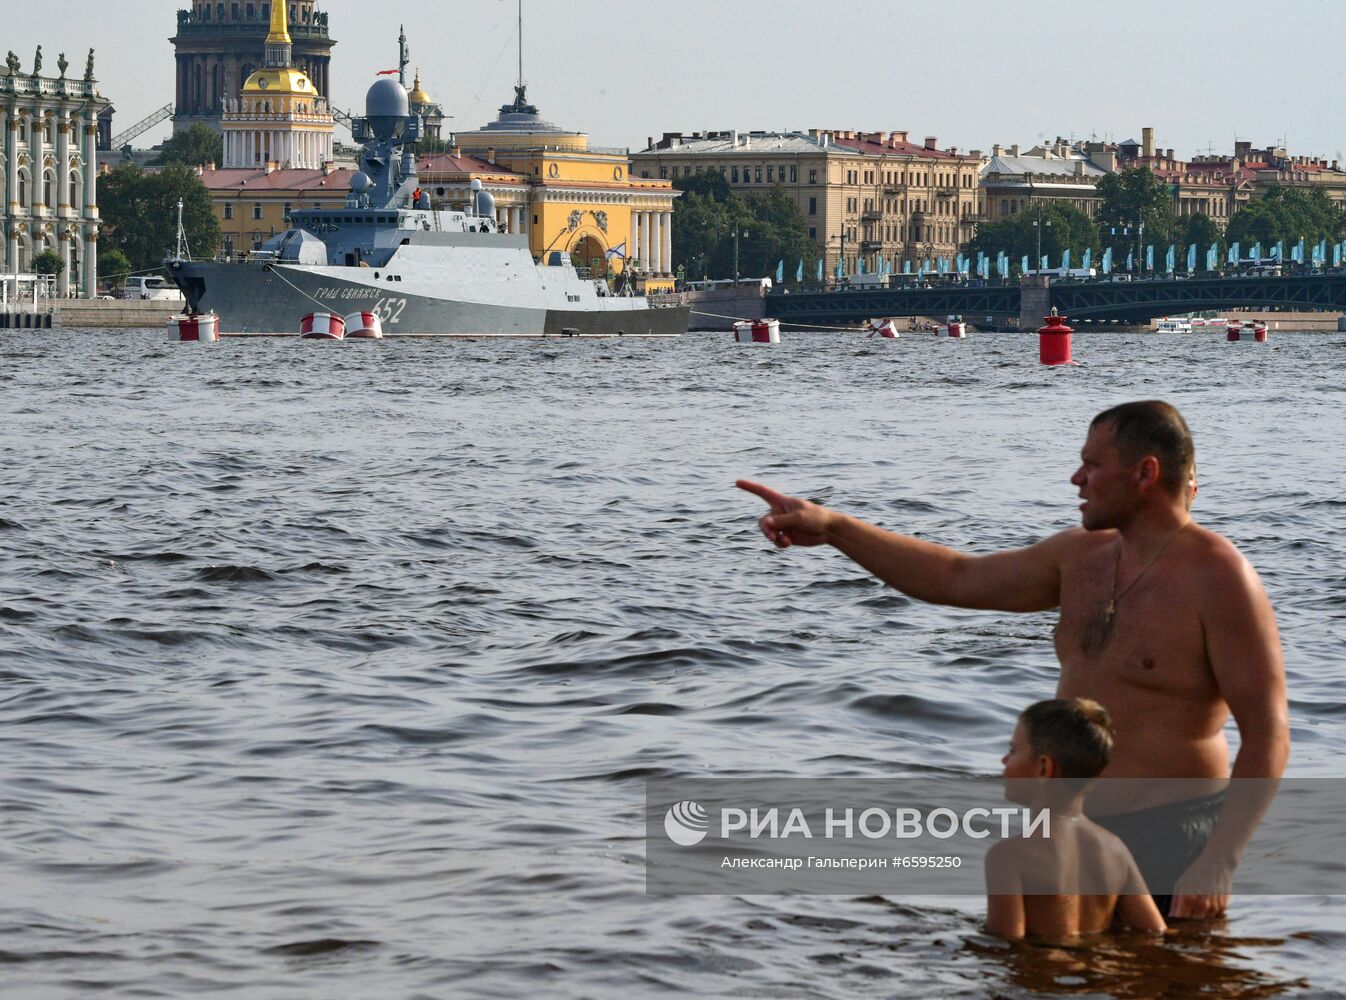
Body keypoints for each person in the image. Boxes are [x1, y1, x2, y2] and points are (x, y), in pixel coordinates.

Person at [738, 400, 1289, 919]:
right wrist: (833, 527)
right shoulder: (1080, 557)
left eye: (1091, 466)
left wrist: (1219, 860)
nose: (1077, 480)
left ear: (1145, 474)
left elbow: (1268, 734)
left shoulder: (1219, 577)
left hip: (1173, 836)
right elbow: (956, 578)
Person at [986, 697, 1166, 939]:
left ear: (1043, 767)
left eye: (1013, 750)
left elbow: (1005, 943)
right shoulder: (1115, 849)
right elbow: (1154, 930)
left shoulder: (1008, 856)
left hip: (1041, 974)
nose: (1004, 760)